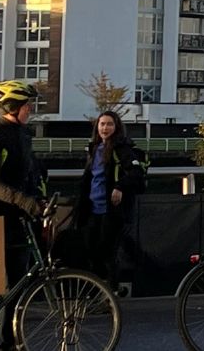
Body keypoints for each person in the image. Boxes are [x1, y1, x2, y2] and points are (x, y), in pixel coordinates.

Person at [0, 80, 45, 350]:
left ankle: (6, 342)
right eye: (28, 106)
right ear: (15, 107)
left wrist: (38, 198)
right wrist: (25, 201)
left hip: (16, 212)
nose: (31, 110)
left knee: (17, 282)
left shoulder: (23, 134)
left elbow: (25, 174)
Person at [74, 111, 147, 290]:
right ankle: (98, 291)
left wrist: (120, 187)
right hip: (93, 208)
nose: (105, 128)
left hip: (112, 210)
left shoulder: (121, 149)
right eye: (102, 124)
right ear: (97, 127)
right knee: (91, 251)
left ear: (116, 127)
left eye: (109, 124)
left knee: (109, 254)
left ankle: (110, 293)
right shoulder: (94, 149)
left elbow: (136, 173)